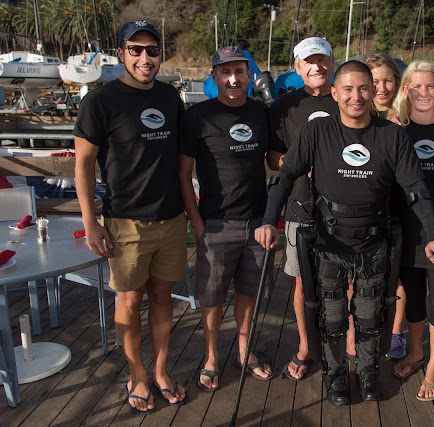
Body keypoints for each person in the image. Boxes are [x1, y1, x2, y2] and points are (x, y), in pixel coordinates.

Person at [255, 60, 434, 405]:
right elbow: (284, 178)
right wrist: (270, 220)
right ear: (335, 93)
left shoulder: (391, 135)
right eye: (347, 89)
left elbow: (417, 189)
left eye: (363, 88)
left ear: (374, 91)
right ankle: (334, 373)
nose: (356, 96)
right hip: (329, 241)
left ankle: (367, 369)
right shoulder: (317, 132)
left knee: (369, 315)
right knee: (331, 317)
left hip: (373, 242)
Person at [74, 20, 188, 414]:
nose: (144, 58)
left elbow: (181, 158)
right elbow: (83, 164)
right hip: (124, 221)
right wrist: (90, 221)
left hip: (171, 219)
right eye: (135, 50)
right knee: (129, 299)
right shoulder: (99, 101)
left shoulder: (170, 97)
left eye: (151, 50)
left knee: (162, 297)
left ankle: (160, 371)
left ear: (160, 55)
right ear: (121, 53)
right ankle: (137, 374)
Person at [178, 46, 284, 392]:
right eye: (225, 72)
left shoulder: (261, 112)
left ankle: (244, 350)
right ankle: (211, 357)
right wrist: (197, 224)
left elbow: (274, 161)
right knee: (212, 298)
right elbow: (183, 176)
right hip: (215, 224)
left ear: (250, 75)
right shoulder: (198, 116)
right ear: (214, 77)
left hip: (257, 222)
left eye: (239, 71)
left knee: (248, 293)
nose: (233, 79)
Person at [387, 60, 434, 402]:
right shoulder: (395, 131)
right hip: (408, 231)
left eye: (430, 86)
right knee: (414, 297)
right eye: (416, 86)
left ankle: (433, 368)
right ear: (405, 90)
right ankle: (417, 353)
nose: (423, 92)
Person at [269, 36, 338, 381]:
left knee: (345, 283)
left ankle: (343, 345)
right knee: (302, 284)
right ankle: (306, 345)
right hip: (300, 208)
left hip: (346, 209)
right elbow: (272, 157)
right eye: (308, 62)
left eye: (322, 60)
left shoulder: (348, 98)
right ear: (297, 68)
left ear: (332, 62)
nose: (317, 67)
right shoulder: (285, 106)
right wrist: (296, 162)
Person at [364, 53, 407, 360]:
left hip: (401, 206)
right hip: (366, 207)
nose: (381, 87)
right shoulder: (355, 116)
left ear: (397, 82)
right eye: (374, 81)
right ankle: (360, 329)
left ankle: (396, 332)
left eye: (387, 80)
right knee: (359, 273)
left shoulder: (408, 117)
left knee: (398, 273)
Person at [364, 53, 401, 119]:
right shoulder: (360, 115)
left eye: (387, 81)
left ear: (396, 81)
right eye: (375, 82)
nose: (382, 89)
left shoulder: (406, 117)